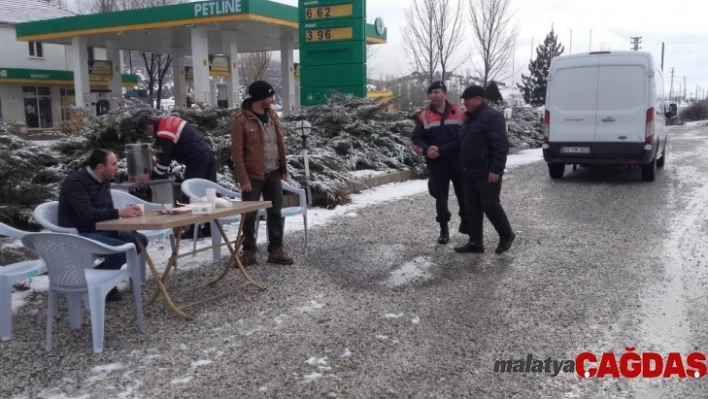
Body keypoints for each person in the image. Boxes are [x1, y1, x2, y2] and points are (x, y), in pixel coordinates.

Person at [57, 148, 148, 302]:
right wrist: (119, 213)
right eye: (113, 164)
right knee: (119, 249)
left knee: (140, 240)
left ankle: (99, 280)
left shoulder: (104, 180)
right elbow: (85, 214)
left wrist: (117, 224)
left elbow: (107, 207)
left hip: (100, 229)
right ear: (100, 167)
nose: (117, 168)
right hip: (78, 233)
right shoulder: (76, 182)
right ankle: (101, 285)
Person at [230, 80, 294, 266]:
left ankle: (276, 250)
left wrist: (283, 168)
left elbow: (279, 142)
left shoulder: (272, 115)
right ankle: (248, 251)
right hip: (252, 176)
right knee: (249, 214)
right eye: (270, 96)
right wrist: (243, 179)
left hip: (273, 172)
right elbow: (237, 152)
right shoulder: (241, 120)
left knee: (275, 211)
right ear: (259, 98)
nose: (273, 100)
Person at [454, 85, 516, 254]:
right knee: (472, 208)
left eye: (467, 99)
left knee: (490, 205)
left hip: (486, 171)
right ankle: (475, 243)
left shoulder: (492, 117)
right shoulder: (470, 118)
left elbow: (501, 146)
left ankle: (506, 235)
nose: (464, 103)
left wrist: (496, 169)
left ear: (478, 99)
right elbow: (463, 142)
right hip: (469, 171)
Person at [135, 114, 216, 239]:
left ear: (149, 127)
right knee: (209, 194)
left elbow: (164, 161)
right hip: (207, 154)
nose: (147, 135)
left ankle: (194, 230)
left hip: (196, 159)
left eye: (146, 132)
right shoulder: (166, 122)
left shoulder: (163, 133)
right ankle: (211, 228)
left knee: (190, 195)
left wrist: (150, 177)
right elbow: (168, 149)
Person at [410, 81, 467, 244]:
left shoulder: (459, 112)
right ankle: (444, 229)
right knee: (440, 198)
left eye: (436, 92)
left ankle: (466, 221)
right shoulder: (424, 116)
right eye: (430, 93)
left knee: (464, 195)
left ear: (445, 94)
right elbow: (415, 139)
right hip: (437, 163)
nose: (433, 95)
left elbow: (466, 135)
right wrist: (426, 150)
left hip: (458, 160)